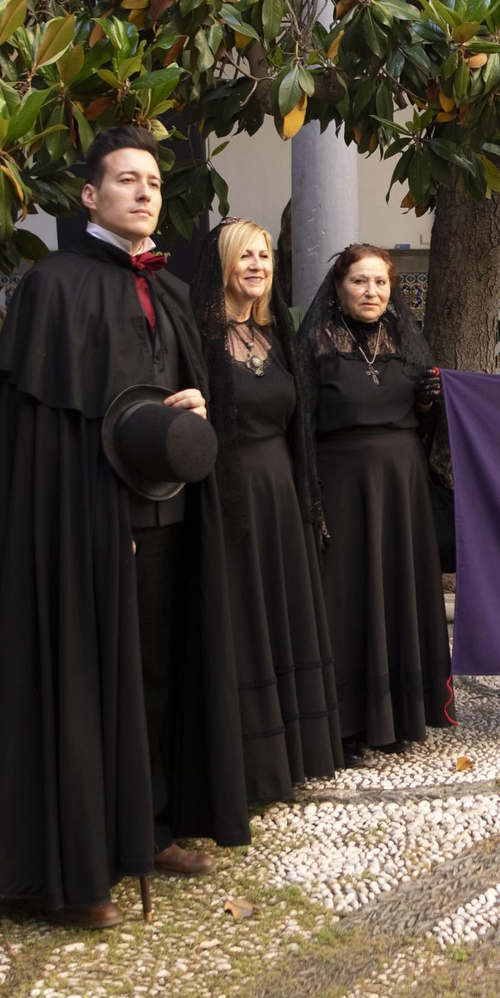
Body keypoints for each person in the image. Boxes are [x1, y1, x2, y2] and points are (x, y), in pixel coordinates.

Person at [0, 125, 249, 929]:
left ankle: (143, 829)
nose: (145, 192)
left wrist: (192, 404)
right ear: (90, 196)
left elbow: (186, 389)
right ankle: (72, 866)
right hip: (82, 519)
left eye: (152, 181)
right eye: (126, 180)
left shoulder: (175, 288)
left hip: (169, 510)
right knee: (83, 677)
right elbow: (47, 431)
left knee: (154, 675)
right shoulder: (55, 285)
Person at [190, 217, 344, 795]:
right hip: (232, 497)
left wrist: (310, 502)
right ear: (222, 264)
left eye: (265, 256)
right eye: (244, 255)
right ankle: (249, 765)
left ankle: (293, 754)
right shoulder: (199, 338)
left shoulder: (277, 336)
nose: (257, 265)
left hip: (282, 494)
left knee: (285, 615)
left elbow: (298, 427)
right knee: (244, 619)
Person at [299, 245, 455, 760]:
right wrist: (311, 499)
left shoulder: (406, 343)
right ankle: (344, 724)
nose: (371, 293)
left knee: (397, 591)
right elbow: (298, 425)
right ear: (339, 288)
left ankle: (402, 715)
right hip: (342, 486)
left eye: (380, 284)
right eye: (360, 283)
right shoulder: (317, 344)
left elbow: (429, 426)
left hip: (401, 487)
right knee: (344, 597)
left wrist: (431, 402)